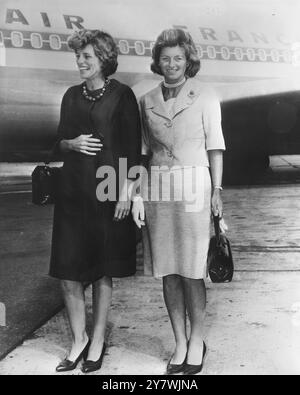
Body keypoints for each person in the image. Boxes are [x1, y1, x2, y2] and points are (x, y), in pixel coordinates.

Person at [132, 28, 226, 375]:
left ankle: (197, 339)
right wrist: (139, 192)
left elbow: (215, 147)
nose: (171, 64)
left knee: (192, 271)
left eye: (178, 58)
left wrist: (217, 190)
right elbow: (143, 154)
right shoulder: (146, 100)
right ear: (157, 62)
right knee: (168, 272)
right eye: (165, 58)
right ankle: (180, 342)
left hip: (195, 188)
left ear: (189, 61)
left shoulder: (206, 96)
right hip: (159, 189)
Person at [49, 29, 141, 374]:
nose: (80, 62)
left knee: (102, 270)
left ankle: (98, 340)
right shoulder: (71, 95)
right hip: (72, 193)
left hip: (106, 191)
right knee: (67, 271)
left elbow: (132, 150)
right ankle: (79, 340)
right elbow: (58, 141)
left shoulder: (123, 95)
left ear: (103, 58)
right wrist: (70, 144)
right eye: (78, 56)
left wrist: (125, 192)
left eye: (87, 56)